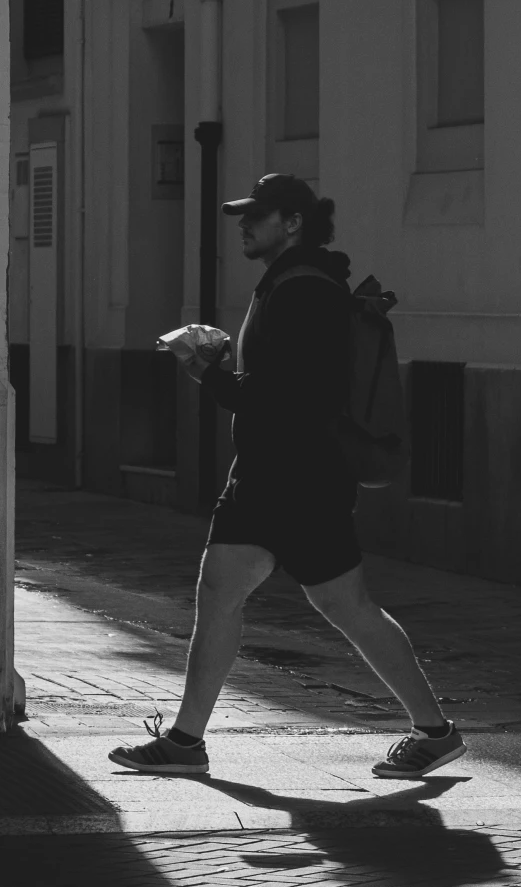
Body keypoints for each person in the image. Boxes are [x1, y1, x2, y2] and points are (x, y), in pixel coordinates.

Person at [110, 173, 464, 781]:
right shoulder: (290, 283)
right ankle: (186, 740)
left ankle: (435, 732)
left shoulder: (304, 291)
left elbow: (292, 393)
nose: (245, 225)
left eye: (259, 215)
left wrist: (208, 374)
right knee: (226, 591)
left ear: (293, 223)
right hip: (277, 472)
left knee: (345, 606)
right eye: (245, 215)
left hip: (297, 479)